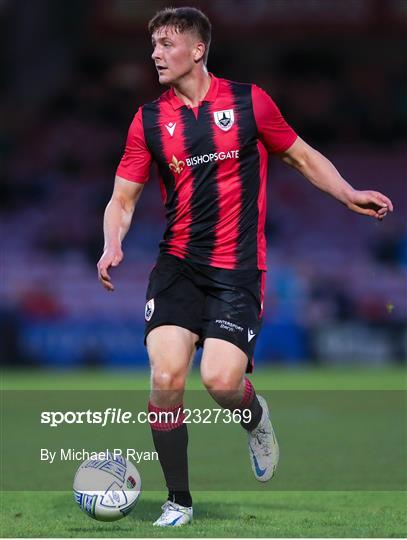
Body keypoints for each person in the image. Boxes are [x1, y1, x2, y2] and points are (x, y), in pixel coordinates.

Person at [97, 6, 393, 527]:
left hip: (237, 270)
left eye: (166, 44)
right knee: (166, 377)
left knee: (220, 381)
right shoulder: (148, 119)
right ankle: (178, 502)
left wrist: (347, 193)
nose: (155, 54)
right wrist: (111, 243)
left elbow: (300, 156)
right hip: (177, 267)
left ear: (197, 49)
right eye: (153, 45)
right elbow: (122, 201)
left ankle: (254, 418)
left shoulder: (249, 101)